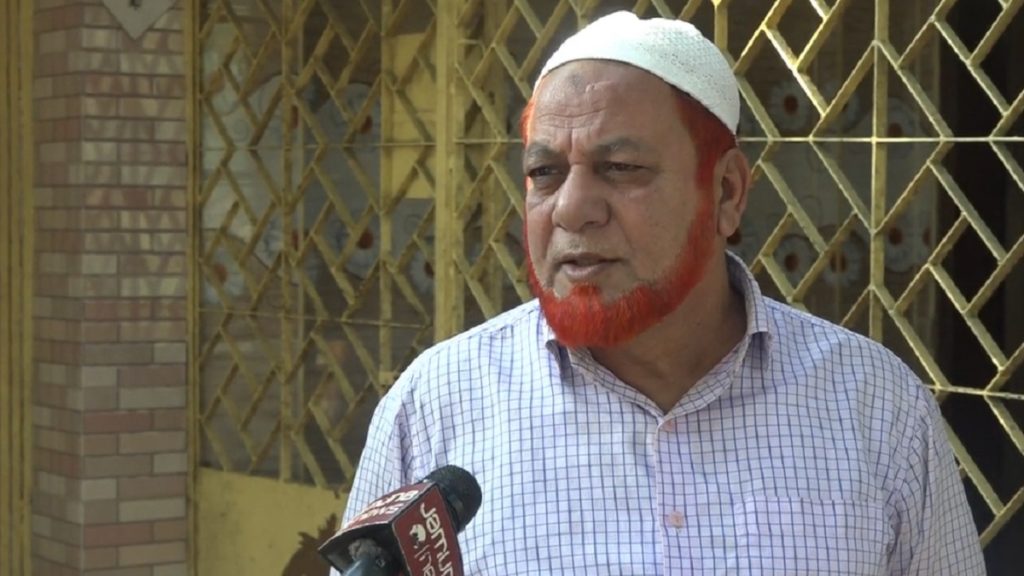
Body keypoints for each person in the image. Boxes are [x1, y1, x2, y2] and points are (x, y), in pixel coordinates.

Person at [333, 11, 986, 575]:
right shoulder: (436, 407)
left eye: (621, 168)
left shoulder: (874, 408)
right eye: (545, 172)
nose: (572, 209)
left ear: (726, 192)